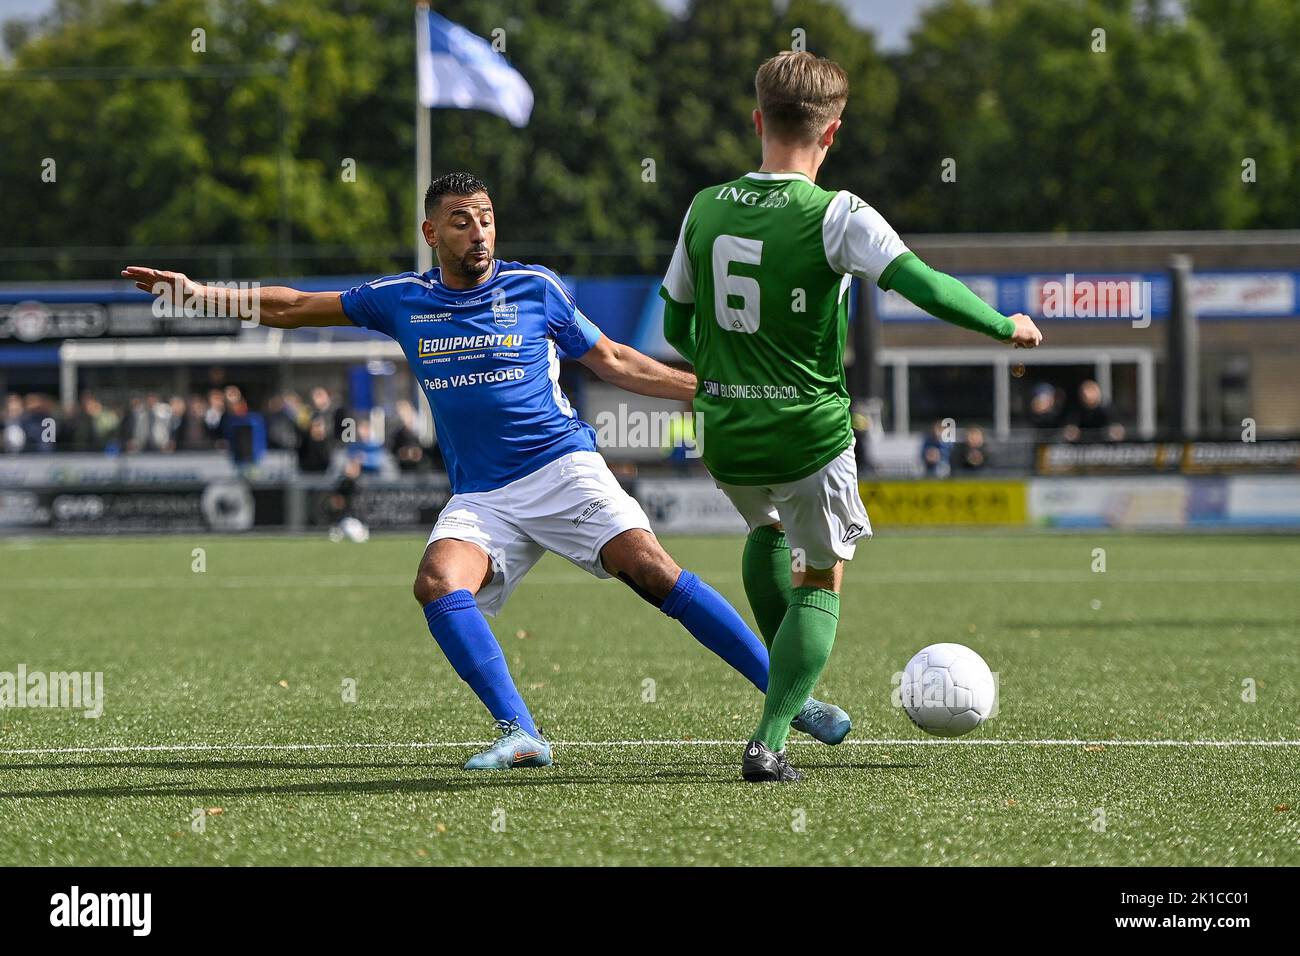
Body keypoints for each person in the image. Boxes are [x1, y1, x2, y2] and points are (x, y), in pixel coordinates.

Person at [122, 171, 849, 771]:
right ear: (432, 234)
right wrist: (196, 294)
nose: (479, 231)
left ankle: (791, 698)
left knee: (652, 570)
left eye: (487, 218)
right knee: (436, 582)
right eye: (461, 220)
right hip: (484, 495)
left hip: (563, 467)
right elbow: (291, 306)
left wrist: (712, 391)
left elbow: (618, 361)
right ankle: (521, 732)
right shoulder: (401, 299)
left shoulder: (537, 289)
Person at [659, 51, 1043, 782]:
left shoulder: (704, 206)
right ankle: (769, 739)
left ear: (756, 120)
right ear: (832, 133)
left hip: (726, 432)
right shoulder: (838, 214)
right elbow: (920, 282)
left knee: (767, 531)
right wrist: (1002, 327)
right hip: (808, 432)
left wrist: (727, 371)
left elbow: (676, 321)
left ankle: (791, 690)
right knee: (821, 578)